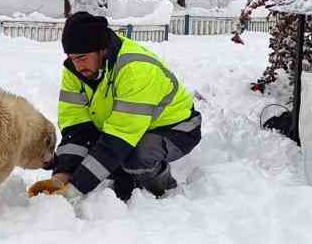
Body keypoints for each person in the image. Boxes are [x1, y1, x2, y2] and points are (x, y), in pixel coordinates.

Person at [28, 11, 202, 202]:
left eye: (82, 57)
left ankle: (164, 190)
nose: (77, 66)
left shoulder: (136, 70)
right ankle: (126, 177)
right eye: (72, 58)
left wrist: (75, 189)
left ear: (101, 50)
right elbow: (76, 129)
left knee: (136, 157)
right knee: (106, 158)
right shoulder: (76, 71)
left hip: (176, 129)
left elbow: (117, 140)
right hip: (127, 129)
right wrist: (61, 176)